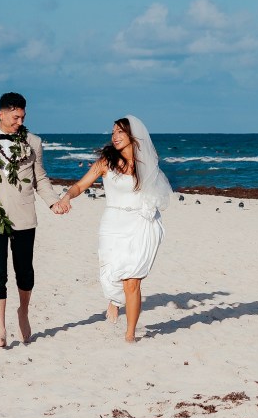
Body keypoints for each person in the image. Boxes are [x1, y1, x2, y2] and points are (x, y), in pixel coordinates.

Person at [53, 116, 170, 343]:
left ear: (132, 136)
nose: (115, 136)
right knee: (111, 272)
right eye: (113, 132)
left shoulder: (146, 164)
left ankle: (130, 335)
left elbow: (158, 193)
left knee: (132, 280)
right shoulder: (106, 162)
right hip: (113, 223)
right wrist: (67, 197)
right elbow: (80, 185)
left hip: (139, 224)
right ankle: (114, 300)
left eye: (120, 132)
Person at [0, 92, 60, 348]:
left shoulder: (33, 142)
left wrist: (53, 201)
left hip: (24, 214)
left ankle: (23, 312)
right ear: (1, 113)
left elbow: (41, 178)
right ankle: (1, 331)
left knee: (24, 272)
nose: (19, 121)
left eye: (22, 117)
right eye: (15, 117)